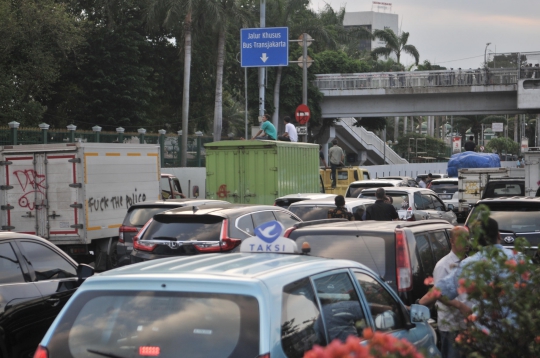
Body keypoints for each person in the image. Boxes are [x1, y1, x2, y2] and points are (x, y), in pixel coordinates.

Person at [419, 218, 521, 333]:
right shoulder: (521, 260)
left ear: (476, 241)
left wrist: (415, 306)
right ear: (499, 235)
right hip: (516, 335)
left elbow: (440, 291)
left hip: (485, 336)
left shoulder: (469, 265)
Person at [419, 226, 469, 358]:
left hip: (468, 324)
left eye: (467, 238)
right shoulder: (443, 265)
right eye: (461, 238)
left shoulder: (469, 263)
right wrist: (460, 305)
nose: (466, 242)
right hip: (451, 325)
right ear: (452, 241)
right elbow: (438, 294)